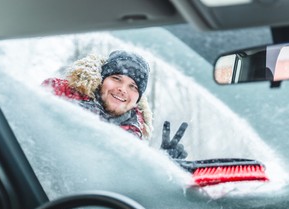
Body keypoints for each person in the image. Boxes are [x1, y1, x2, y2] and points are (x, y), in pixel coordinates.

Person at [42, 50, 188, 159]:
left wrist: (161, 166)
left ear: (137, 99)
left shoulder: (132, 143)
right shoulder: (58, 93)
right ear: (101, 79)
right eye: (117, 78)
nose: (122, 90)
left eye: (133, 87)